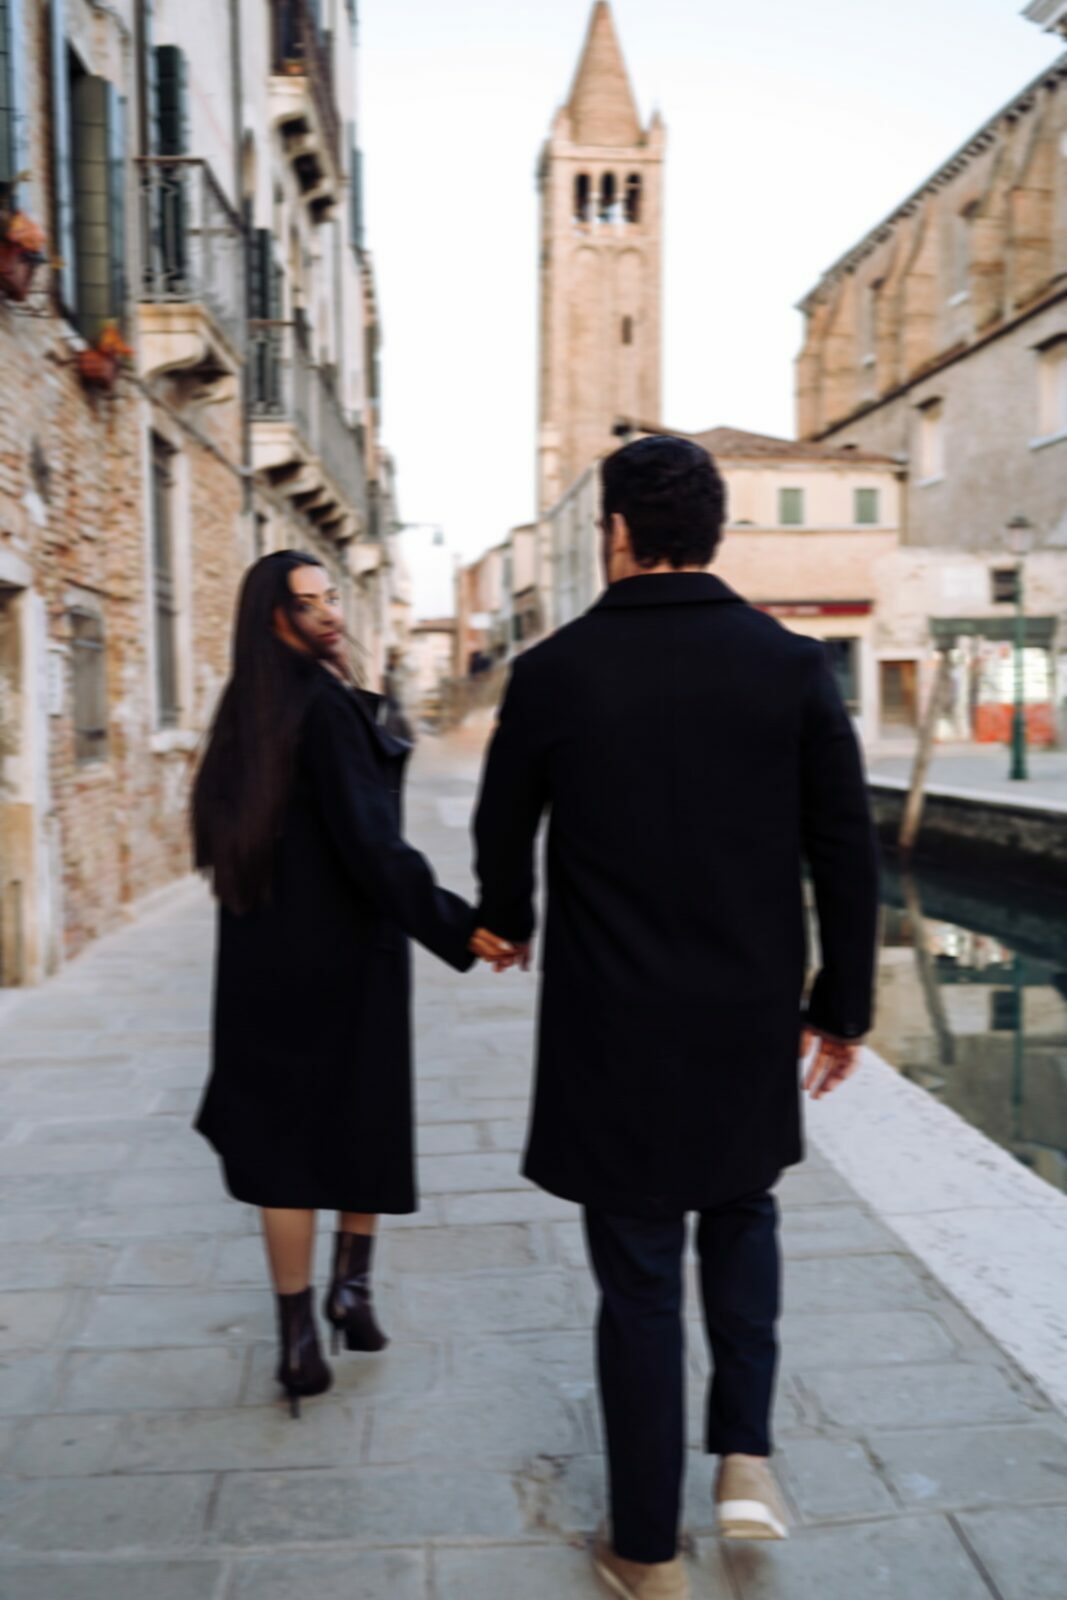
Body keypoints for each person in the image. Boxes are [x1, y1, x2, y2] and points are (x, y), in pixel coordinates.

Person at [473, 437, 879, 1600]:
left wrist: (508, 920)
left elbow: (502, 829)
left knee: (639, 1275)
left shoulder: (552, 670)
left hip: (611, 1022)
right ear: (712, 532)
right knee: (742, 1213)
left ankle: (646, 1553)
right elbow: (844, 853)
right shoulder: (789, 664)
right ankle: (743, 1456)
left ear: (614, 530)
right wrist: (839, 1008)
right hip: (744, 1014)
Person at [192, 551, 506, 1416]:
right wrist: (457, 926)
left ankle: (300, 1337)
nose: (329, 612)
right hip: (346, 952)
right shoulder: (326, 708)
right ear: (271, 616)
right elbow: (374, 848)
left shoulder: (247, 707)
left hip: (259, 957)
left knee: (281, 1144)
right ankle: (350, 1292)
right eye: (308, 603)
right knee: (361, 1114)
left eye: (331, 597)